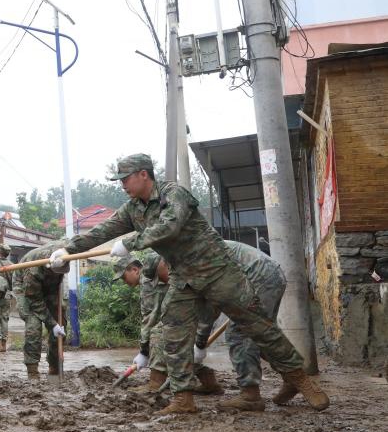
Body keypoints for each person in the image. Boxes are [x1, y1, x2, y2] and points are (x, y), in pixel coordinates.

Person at [49, 153, 328, 415]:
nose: (122, 185)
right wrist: (67, 250)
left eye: (125, 179)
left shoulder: (173, 194)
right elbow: (102, 231)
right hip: (183, 276)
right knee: (173, 333)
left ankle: (300, 380)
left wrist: (131, 242)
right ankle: (183, 398)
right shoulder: (133, 209)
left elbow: (169, 226)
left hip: (216, 268)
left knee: (257, 325)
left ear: (144, 174)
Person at [197, 240, 289, 412]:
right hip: (270, 275)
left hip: (259, 278)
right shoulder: (197, 250)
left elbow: (210, 309)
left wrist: (199, 344)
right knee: (261, 336)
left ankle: (250, 396)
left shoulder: (194, 261)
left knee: (239, 333)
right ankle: (292, 376)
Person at [115, 252, 222, 396]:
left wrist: (144, 351)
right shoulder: (152, 277)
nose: (124, 281)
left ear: (134, 270)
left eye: (123, 277)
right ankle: (209, 382)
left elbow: (150, 318)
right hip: (195, 309)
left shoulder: (147, 280)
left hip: (192, 310)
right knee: (181, 348)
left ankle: (155, 383)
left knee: (157, 334)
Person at [16, 241, 69, 380]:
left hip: (51, 286)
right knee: (33, 326)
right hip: (25, 287)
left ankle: (54, 368)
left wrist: (56, 324)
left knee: (61, 326)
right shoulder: (32, 272)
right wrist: (52, 324)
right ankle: (32, 371)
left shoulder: (64, 253)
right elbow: (35, 302)